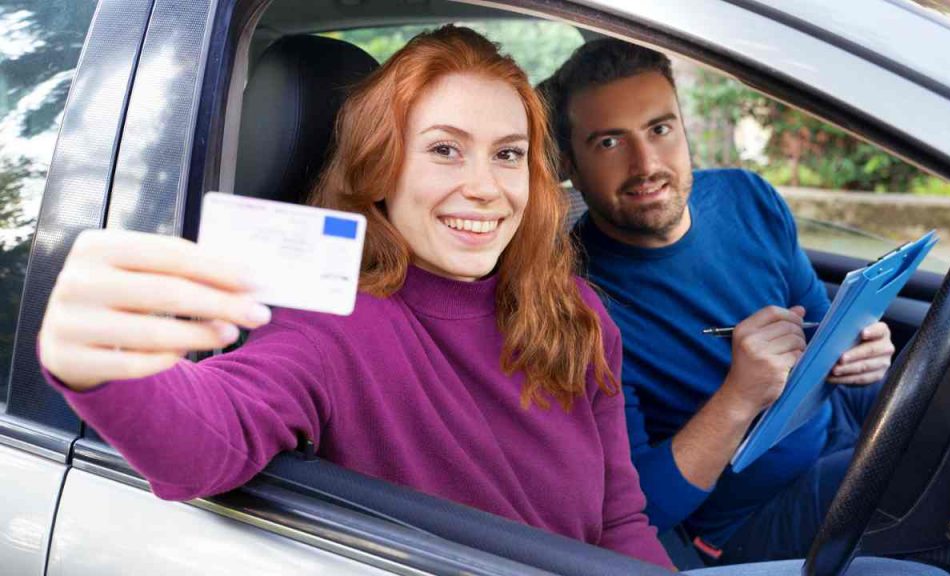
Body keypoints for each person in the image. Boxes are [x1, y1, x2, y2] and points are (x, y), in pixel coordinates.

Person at [36, 27, 674, 569]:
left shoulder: (574, 311)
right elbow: (208, 441)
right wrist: (100, 369)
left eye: (507, 154)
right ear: (381, 168)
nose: (485, 187)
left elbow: (618, 522)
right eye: (445, 150)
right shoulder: (329, 321)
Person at [540, 39, 896, 563]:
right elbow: (643, 508)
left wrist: (863, 347)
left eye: (660, 130)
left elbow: (818, 324)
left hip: (840, 429)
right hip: (744, 523)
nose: (646, 165)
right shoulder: (571, 301)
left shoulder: (746, 196)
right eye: (610, 143)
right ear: (568, 163)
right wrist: (739, 396)